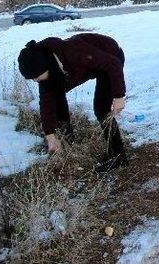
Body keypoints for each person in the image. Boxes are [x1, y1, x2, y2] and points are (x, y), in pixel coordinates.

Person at [17, 33, 128, 171]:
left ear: (46, 67)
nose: (35, 81)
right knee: (55, 95)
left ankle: (118, 156)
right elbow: (46, 104)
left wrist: (118, 97)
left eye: (36, 76)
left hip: (110, 57)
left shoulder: (73, 51)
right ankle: (66, 140)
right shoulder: (48, 75)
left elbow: (113, 64)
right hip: (88, 65)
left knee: (101, 109)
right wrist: (50, 136)